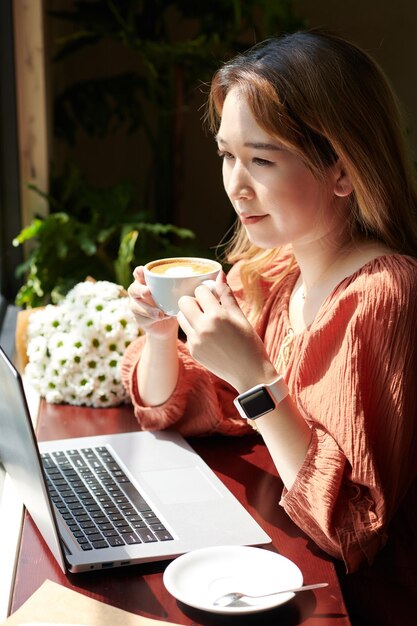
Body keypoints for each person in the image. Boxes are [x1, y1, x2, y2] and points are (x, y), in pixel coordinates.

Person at [122, 29, 417, 624]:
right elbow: (175, 409)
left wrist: (256, 378)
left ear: (342, 169)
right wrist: (160, 336)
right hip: (289, 569)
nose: (235, 184)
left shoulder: (385, 292)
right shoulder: (275, 270)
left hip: (358, 605)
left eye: (261, 159)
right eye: (227, 155)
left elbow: (352, 531)